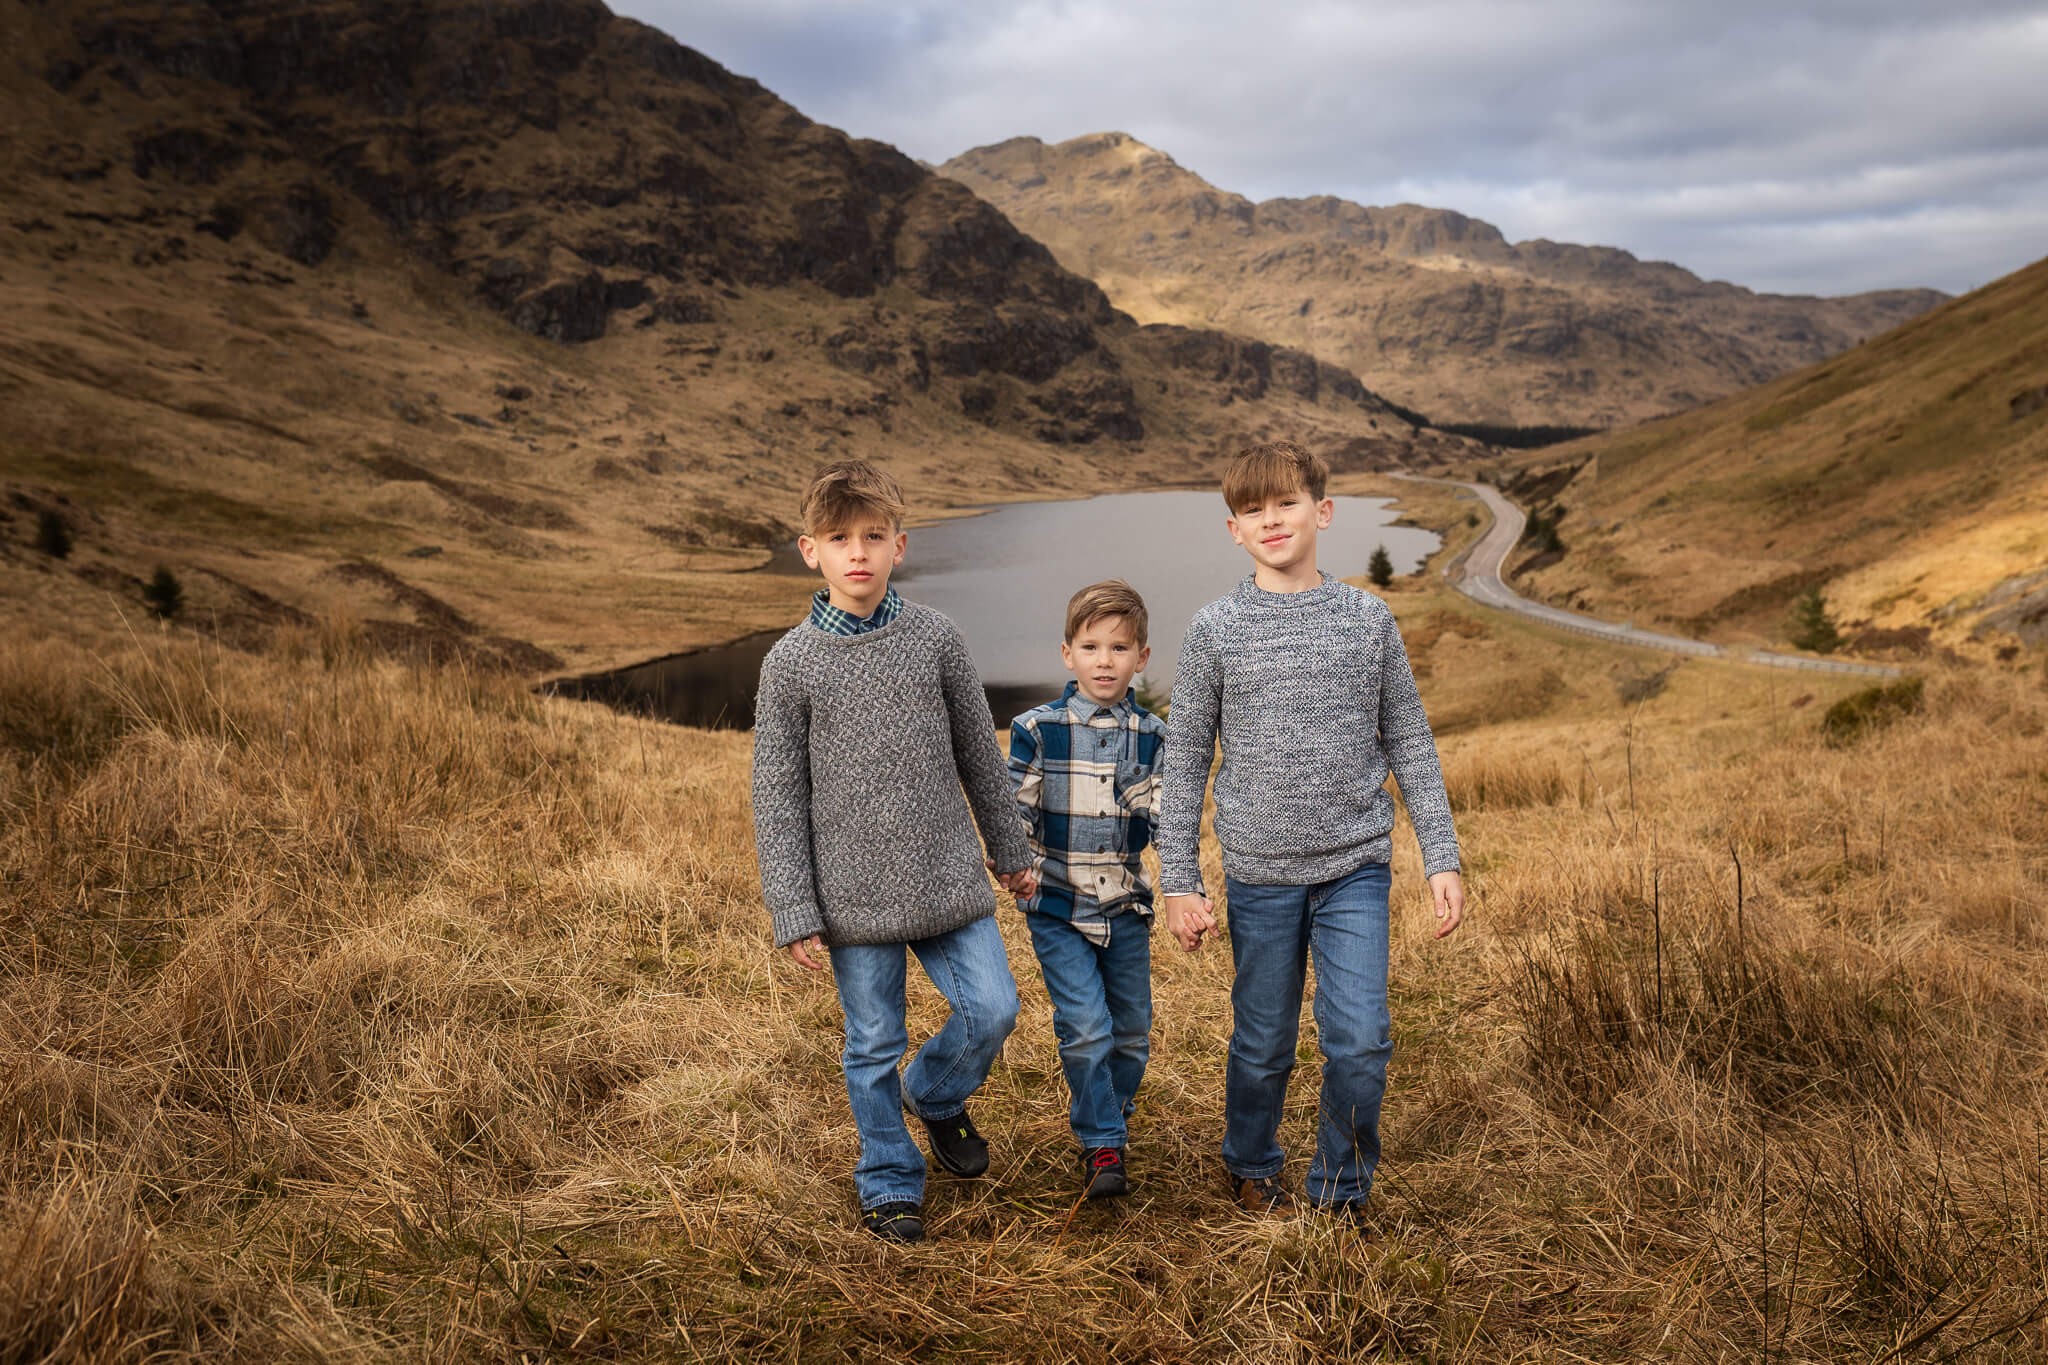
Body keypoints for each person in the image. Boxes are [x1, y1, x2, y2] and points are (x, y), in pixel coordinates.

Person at [1156, 440, 1465, 1230]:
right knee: (1263, 1043)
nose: (1271, 519)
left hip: (1354, 866)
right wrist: (1180, 879)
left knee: (1360, 1043)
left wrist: (1441, 854)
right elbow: (1186, 756)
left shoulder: (1368, 618)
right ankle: (1252, 1160)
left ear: (1321, 512)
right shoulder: (1214, 629)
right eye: (1253, 509)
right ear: (1234, 530)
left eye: (1286, 502)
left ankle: (1339, 1188)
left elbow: (1412, 742)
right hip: (1259, 874)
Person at [750, 459, 1037, 1244]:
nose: (858, 553)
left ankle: (936, 1095)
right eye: (840, 538)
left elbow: (982, 752)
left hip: (947, 876)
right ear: (811, 550)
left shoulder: (937, 638)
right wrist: (794, 907)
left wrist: (1009, 850)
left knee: (994, 1007)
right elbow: (777, 798)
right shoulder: (790, 665)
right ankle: (888, 1176)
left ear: (900, 544)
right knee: (871, 1041)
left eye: (874, 536)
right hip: (851, 898)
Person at [1007, 581, 1169, 1200]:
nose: (1105, 660)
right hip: (1057, 905)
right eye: (1091, 646)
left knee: (1131, 1033)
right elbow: (1012, 804)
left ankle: (1108, 1115)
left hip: (1126, 907)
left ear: (1142, 658)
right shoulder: (1037, 729)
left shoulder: (1156, 736)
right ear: (1067, 654)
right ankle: (1103, 1142)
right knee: (1086, 1027)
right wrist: (1012, 858)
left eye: (1120, 648)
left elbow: (1167, 817)